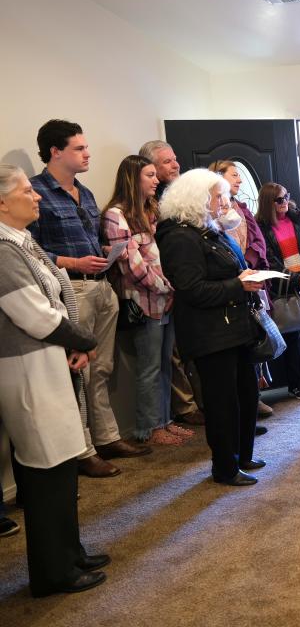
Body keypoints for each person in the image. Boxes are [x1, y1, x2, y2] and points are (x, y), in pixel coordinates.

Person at [0, 163, 110, 596]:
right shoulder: (3, 250)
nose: (38, 196)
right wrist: (82, 338)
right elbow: (33, 314)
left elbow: (56, 297)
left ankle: (71, 551)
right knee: (45, 471)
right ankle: (52, 572)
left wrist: (74, 344)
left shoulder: (22, 242)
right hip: (27, 369)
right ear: (2, 202)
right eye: (28, 190)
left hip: (49, 361)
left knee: (64, 462)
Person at [28, 119, 150, 477]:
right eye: (79, 148)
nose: (87, 153)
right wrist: (71, 261)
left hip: (101, 285)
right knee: (78, 371)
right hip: (71, 287)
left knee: (103, 367)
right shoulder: (36, 192)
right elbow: (29, 251)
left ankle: (108, 437)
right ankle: (83, 450)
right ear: (55, 151)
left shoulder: (87, 192)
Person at [155, 168, 266, 485]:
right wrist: (238, 286)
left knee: (245, 395)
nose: (225, 201)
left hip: (234, 328)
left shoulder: (209, 229)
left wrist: (244, 281)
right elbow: (192, 290)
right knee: (222, 404)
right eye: (218, 196)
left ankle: (242, 455)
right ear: (197, 198)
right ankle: (225, 467)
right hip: (210, 333)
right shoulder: (179, 237)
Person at [102, 155, 192, 446]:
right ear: (133, 179)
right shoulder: (116, 215)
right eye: (150, 175)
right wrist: (166, 288)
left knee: (166, 365)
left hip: (166, 299)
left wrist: (170, 290)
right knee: (150, 368)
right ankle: (147, 428)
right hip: (145, 302)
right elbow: (132, 266)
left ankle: (165, 421)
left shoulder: (151, 210)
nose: (156, 181)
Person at [140, 140, 204, 427]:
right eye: (167, 161)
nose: (175, 164)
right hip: (161, 283)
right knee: (171, 354)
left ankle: (200, 402)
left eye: (175, 158)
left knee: (190, 347)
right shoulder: (150, 200)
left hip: (187, 278)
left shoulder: (184, 193)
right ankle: (184, 408)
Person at [207, 160, 273, 427]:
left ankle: (252, 398)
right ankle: (244, 407)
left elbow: (257, 239)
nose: (239, 180)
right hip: (230, 290)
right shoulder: (208, 223)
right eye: (234, 175)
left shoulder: (242, 208)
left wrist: (252, 263)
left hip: (250, 278)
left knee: (256, 338)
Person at [255, 182, 300, 400]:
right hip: (284, 285)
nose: (285, 202)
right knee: (293, 335)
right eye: (279, 199)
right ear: (268, 203)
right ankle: (296, 385)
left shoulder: (296, 217)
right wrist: (296, 278)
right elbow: (270, 262)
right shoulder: (262, 226)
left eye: (286, 196)